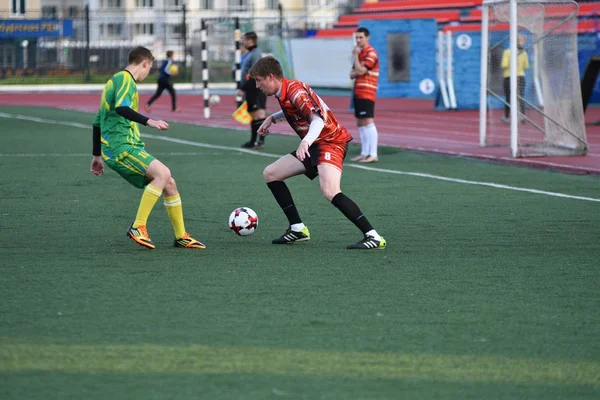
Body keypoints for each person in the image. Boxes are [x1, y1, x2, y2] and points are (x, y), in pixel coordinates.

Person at [250, 56, 386, 250]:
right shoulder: (286, 90)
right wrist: (273, 118)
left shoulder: (295, 91)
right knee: (271, 174)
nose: (257, 85)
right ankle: (297, 229)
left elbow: (318, 120)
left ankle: (373, 236)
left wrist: (305, 141)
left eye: (258, 80)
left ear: (271, 77)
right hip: (316, 144)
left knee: (330, 191)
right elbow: (296, 111)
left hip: (331, 142)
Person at [90, 46, 205, 250]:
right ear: (146, 63)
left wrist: (96, 155)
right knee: (163, 173)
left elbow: (98, 121)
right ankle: (138, 226)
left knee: (169, 182)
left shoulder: (112, 82)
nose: (147, 73)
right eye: (149, 68)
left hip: (119, 147)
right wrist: (149, 120)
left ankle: (181, 237)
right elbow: (122, 108)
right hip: (121, 147)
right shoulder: (126, 79)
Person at [349, 27, 380, 163]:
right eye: (357, 37)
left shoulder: (371, 53)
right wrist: (358, 66)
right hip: (358, 91)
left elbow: (360, 71)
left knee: (368, 121)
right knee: (360, 122)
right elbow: (351, 74)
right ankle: (365, 152)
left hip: (367, 91)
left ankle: (373, 154)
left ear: (367, 38)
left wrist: (356, 58)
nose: (358, 40)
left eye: (361, 37)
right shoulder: (361, 54)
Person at [236, 31, 268, 149]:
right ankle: (254, 141)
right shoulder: (250, 53)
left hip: (255, 89)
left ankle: (259, 141)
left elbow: (256, 74)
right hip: (250, 89)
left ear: (250, 41)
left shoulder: (255, 54)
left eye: (244, 39)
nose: (242, 42)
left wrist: (242, 88)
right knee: (254, 116)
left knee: (259, 114)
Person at [501, 34, 529, 124]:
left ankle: (507, 116)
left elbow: (504, 65)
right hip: (520, 76)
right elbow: (526, 66)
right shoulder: (523, 53)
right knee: (520, 97)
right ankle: (522, 117)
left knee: (509, 97)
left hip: (509, 77)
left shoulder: (507, 52)